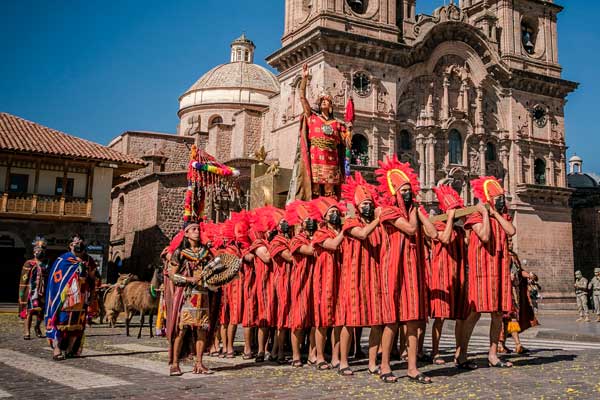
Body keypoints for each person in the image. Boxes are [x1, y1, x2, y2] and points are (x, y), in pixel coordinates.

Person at [375, 155, 437, 384]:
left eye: (410, 190)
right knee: (392, 321)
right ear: (394, 191)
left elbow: (432, 233)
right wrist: (415, 214)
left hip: (413, 270)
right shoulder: (388, 211)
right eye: (404, 190)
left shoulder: (414, 210)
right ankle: (384, 366)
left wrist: (420, 211)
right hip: (393, 269)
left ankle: (412, 368)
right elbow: (411, 229)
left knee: (413, 320)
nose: (408, 194)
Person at [465, 176, 516, 368]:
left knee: (497, 314)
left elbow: (511, 231)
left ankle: (493, 354)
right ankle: (462, 353)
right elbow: (485, 236)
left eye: (502, 197)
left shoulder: (503, 218)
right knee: (474, 314)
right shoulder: (475, 217)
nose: (502, 200)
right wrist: (486, 214)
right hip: (482, 271)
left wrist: (495, 214)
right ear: (488, 198)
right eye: (497, 197)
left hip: (499, 270)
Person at [428, 185, 478, 370]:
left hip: (458, 276)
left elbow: (469, 241)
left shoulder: (460, 231)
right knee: (439, 317)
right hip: (441, 276)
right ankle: (435, 351)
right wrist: (449, 219)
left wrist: (465, 219)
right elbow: (446, 238)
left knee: (461, 316)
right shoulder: (436, 225)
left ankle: (460, 352)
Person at [339, 172, 383, 378]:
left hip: (373, 276)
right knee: (351, 321)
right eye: (364, 203)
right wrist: (378, 219)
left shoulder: (376, 223)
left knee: (376, 321)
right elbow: (363, 234)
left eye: (370, 203)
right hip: (354, 276)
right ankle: (343, 362)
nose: (368, 206)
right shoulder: (349, 222)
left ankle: (373, 362)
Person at [165, 223, 220, 376]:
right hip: (187, 295)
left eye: (198, 229)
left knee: (202, 329)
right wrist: (189, 279)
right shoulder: (180, 253)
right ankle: (175, 363)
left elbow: (214, 269)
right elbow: (172, 274)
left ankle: (199, 363)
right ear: (186, 233)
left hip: (203, 295)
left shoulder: (206, 252)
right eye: (193, 230)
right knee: (182, 330)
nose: (197, 232)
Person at [296, 63, 351, 199]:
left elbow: (346, 143)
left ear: (331, 106)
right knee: (314, 191)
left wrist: (348, 134)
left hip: (332, 158)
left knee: (330, 191)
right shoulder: (312, 117)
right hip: (315, 157)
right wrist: (304, 79)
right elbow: (302, 97)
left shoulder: (337, 124)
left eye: (327, 101)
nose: (324, 103)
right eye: (322, 102)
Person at [44, 234, 97, 360]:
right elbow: (56, 280)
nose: (78, 244)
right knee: (60, 322)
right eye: (76, 242)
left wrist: (92, 293)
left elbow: (93, 278)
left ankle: (70, 350)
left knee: (77, 324)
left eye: (81, 242)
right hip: (65, 298)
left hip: (81, 298)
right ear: (70, 245)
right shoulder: (62, 260)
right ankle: (57, 350)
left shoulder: (89, 260)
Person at [309, 196, 345, 370]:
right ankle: (320, 356)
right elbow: (332, 245)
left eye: (337, 212)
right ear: (324, 217)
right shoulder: (320, 233)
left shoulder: (341, 231)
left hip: (340, 279)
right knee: (323, 321)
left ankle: (336, 357)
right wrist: (347, 229)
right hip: (324, 280)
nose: (335, 215)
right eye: (332, 212)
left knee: (338, 321)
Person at [286, 200, 316, 367]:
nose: (311, 222)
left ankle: (312, 354)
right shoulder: (296, 239)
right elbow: (310, 250)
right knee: (298, 319)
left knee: (314, 319)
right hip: (301, 280)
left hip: (315, 280)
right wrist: (315, 237)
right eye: (307, 219)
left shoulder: (317, 234)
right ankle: (296, 355)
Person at [268, 208, 293, 364]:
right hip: (281, 280)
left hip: (291, 279)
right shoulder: (276, 242)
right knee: (282, 317)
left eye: (286, 221)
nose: (285, 224)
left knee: (285, 317)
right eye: (282, 222)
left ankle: (275, 351)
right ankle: (280, 351)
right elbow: (290, 257)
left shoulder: (290, 239)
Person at [19, 236, 50, 340]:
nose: (39, 252)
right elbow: (24, 280)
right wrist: (22, 294)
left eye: (41, 250)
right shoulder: (29, 263)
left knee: (41, 312)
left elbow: (49, 278)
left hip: (43, 292)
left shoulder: (47, 264)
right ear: (34, 252)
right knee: (29, 311)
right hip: (31, 292)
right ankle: (26, 332)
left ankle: (37, 327)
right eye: (37, 250)